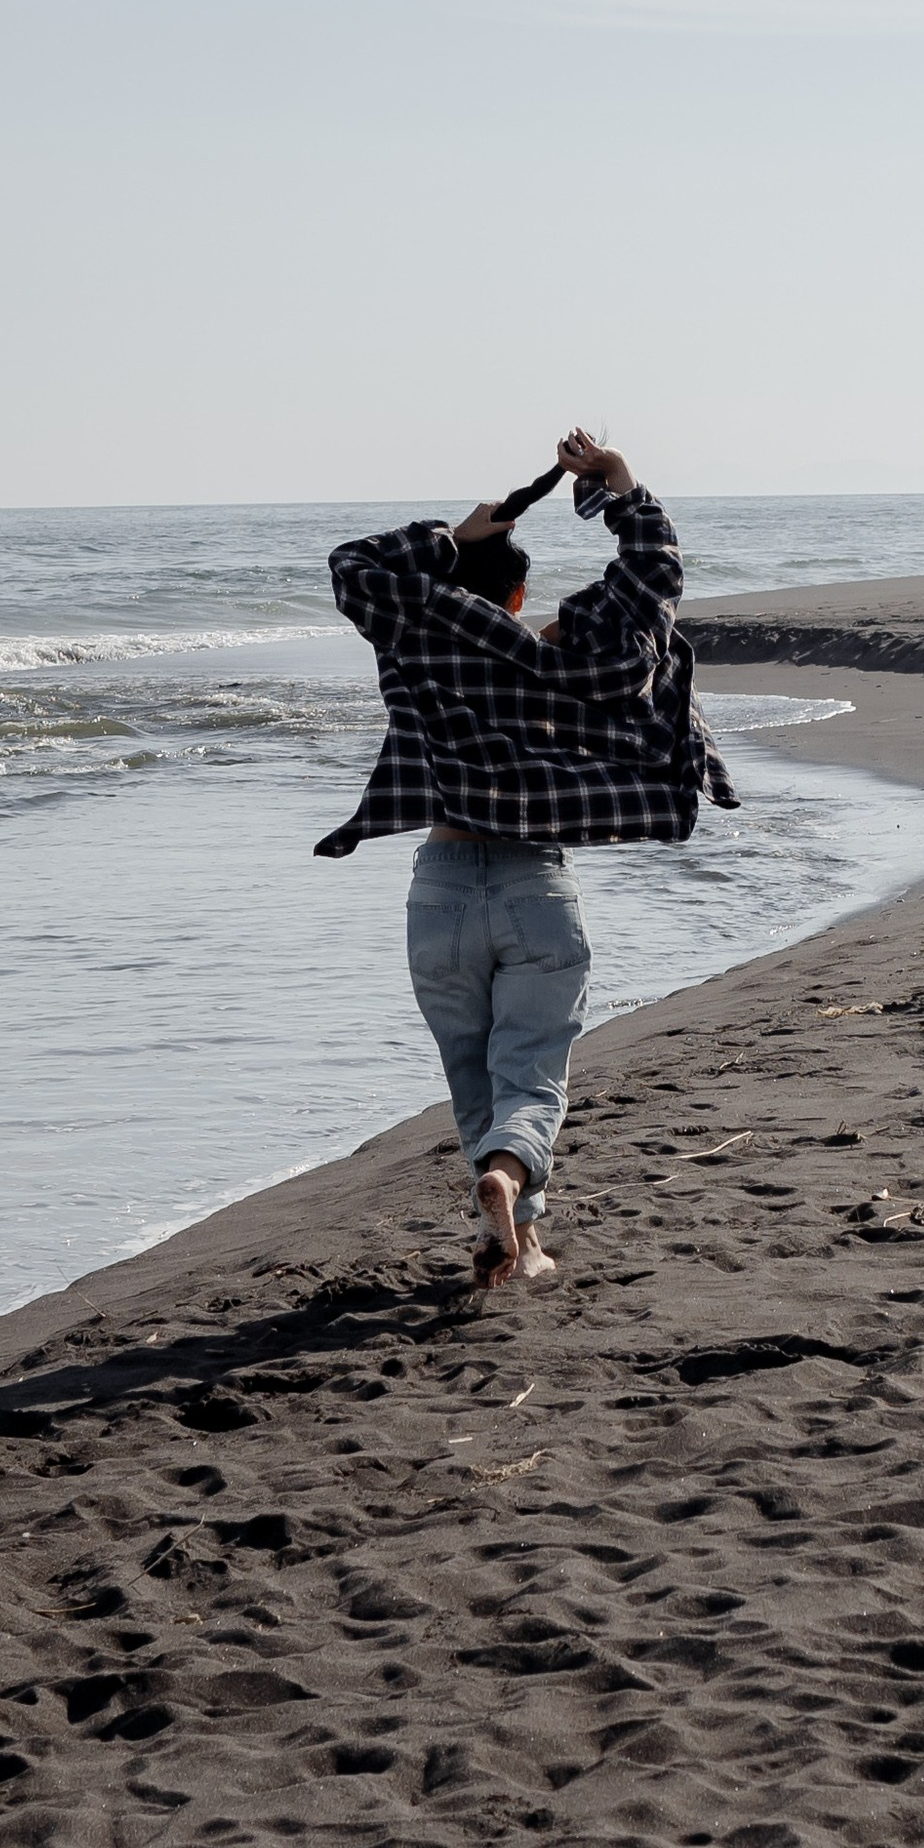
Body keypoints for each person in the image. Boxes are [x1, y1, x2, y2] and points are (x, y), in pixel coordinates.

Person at [315, 427, 738, 1286]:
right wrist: (615, 484)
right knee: (533, 1068)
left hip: (438, 891)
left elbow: (353, 565)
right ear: (517, 596)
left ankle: (514, 1225)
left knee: (472, 1071)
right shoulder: (559, 655)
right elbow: (652, 580)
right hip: (532, 886)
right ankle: (510, 1184)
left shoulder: (414, 635)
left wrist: (451, 537)